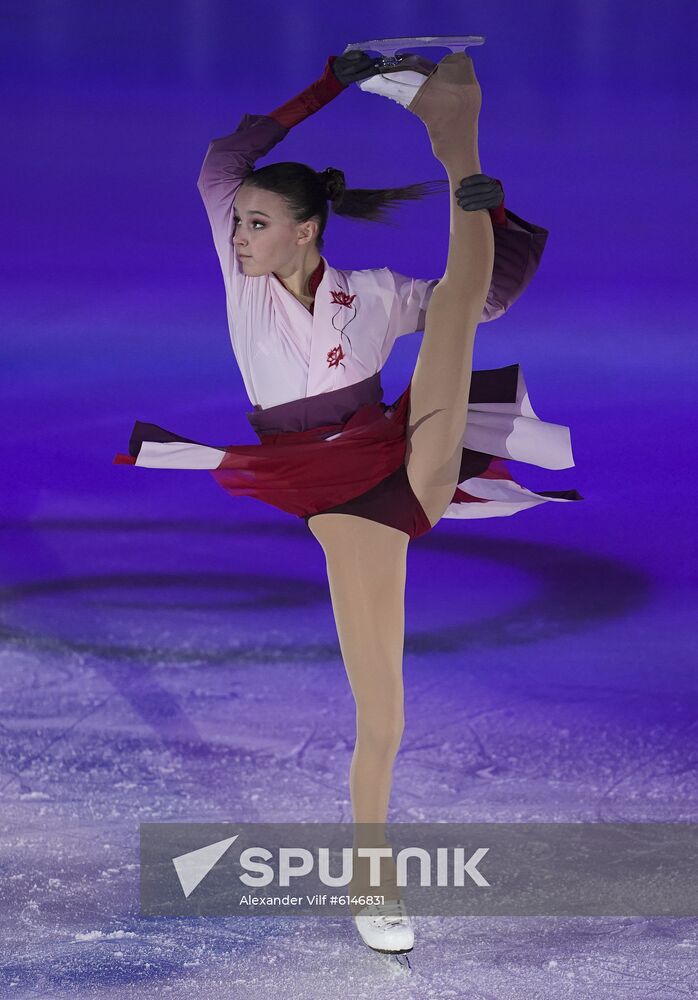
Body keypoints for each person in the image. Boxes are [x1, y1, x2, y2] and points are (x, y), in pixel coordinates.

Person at [113, 49, 582, 957]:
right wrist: (329, 84)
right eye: (239, 223)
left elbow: (476, 303)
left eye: (258, 224)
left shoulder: (368, 298)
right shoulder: (242, 286)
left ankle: (458, 137)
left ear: (307, 231)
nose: (240, 235)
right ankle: (375, 879)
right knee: (386, 712)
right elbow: (224, 158)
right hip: (323, 483)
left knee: (450, 310)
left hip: (397, 451)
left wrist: (485, 250)